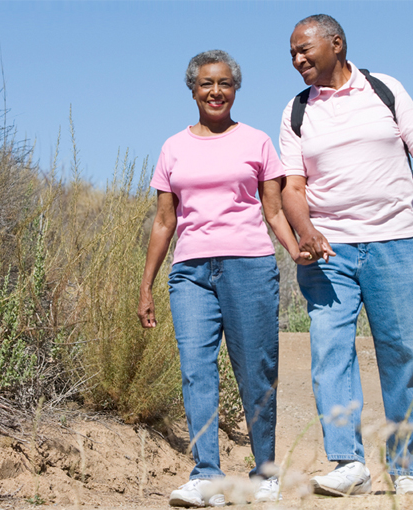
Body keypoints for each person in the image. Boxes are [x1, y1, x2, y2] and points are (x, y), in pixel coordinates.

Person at [279, 15, 413, 497]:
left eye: (304, 50)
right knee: (329, 352)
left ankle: (407, 469)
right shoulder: (297, 111)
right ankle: (347, 463)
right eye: (292, 54)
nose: (297, 60)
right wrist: (306, 230)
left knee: (404, 354)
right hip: (329, 250)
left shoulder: (385, 89)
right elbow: (293, 188)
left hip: (395, 242)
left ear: (336, 44)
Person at [138, 49, 309, 508]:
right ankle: (206, 476)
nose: (216, 91)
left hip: (248, 266)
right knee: (196, 371)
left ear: (235, 89)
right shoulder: (173, 147)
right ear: (193, 89)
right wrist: (146, 285)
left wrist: (295, 251)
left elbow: (273, 209)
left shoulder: (255, 142)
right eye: (206, 84)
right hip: (190, 272)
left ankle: (265, 472)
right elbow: (163, 221)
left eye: (225, 83)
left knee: (255, 371)